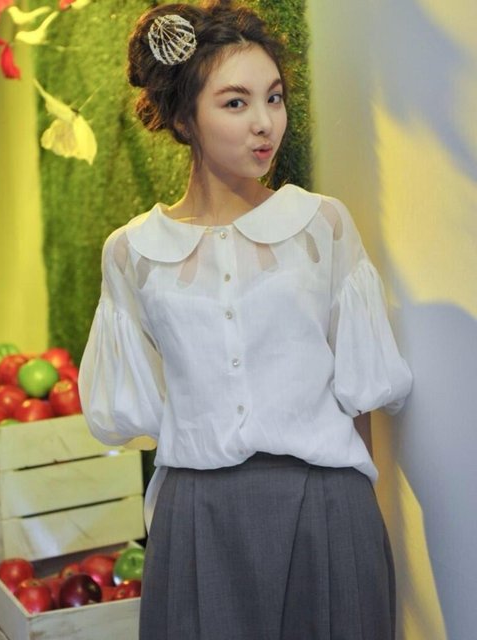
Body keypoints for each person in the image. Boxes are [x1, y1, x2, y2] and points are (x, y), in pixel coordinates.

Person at [78, 1, 412, 638]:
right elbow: (136, 407)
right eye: (236, 102)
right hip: (198, 514)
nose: (265, 123)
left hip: (327, 506)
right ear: (184, 117)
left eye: (274, 98)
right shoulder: (132, 252)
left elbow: (360, 392)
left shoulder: (322, 225)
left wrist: (355, 518)